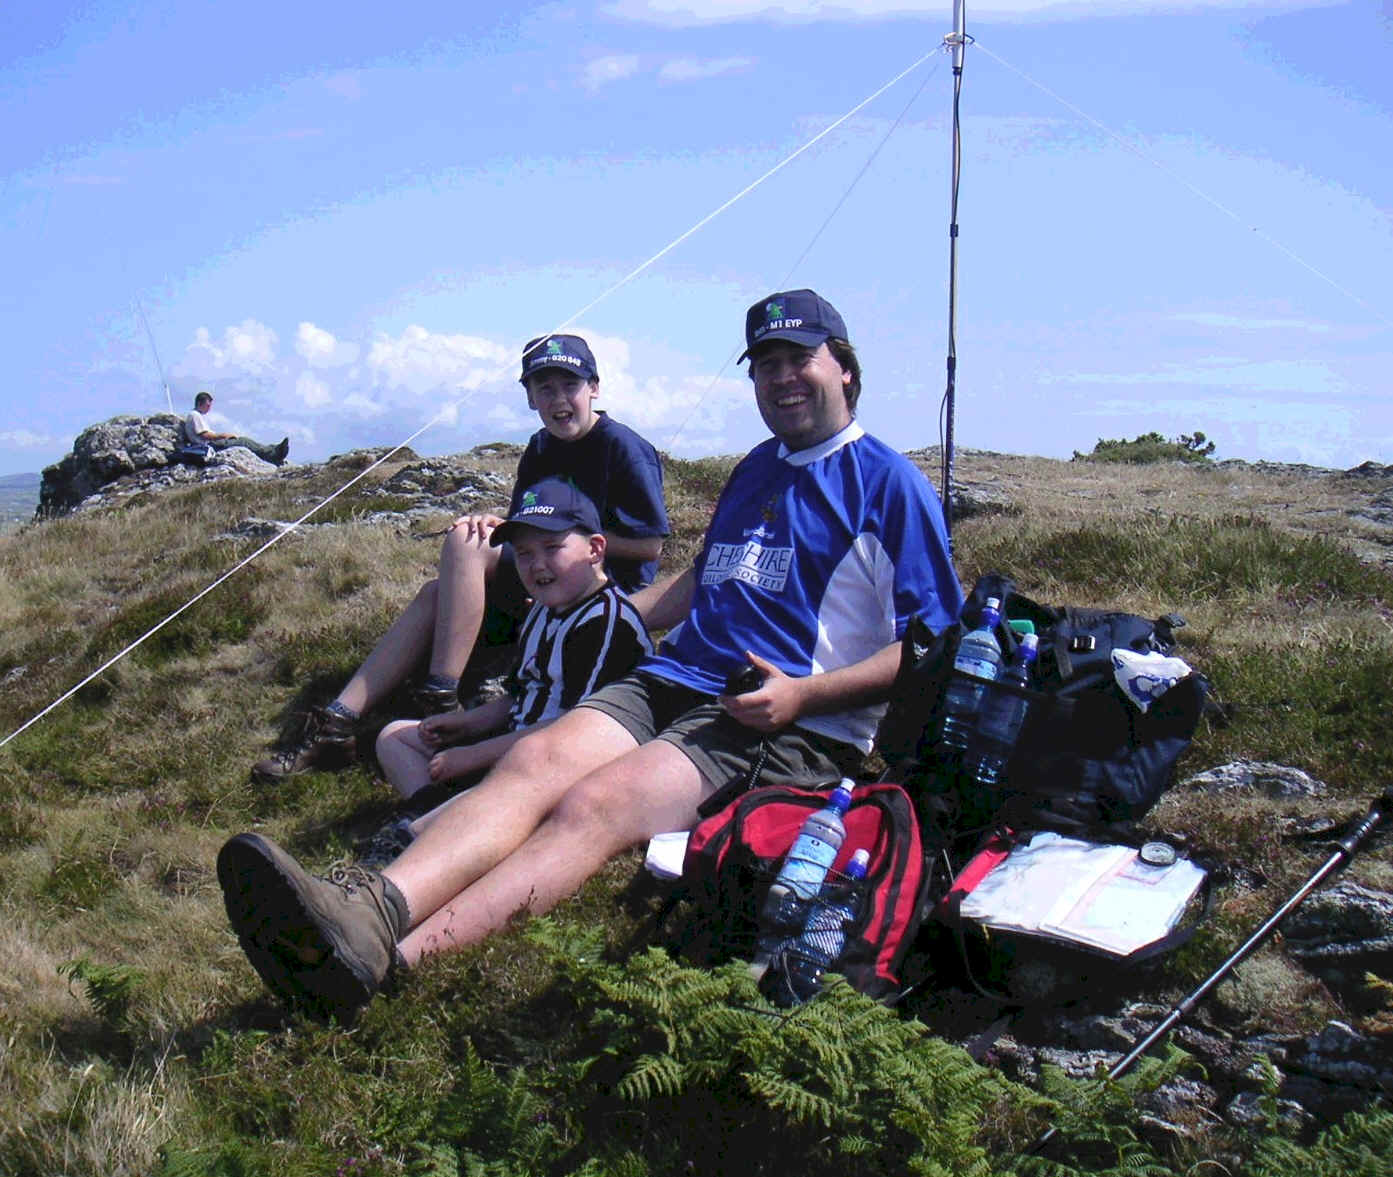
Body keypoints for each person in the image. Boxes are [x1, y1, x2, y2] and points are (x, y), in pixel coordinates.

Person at [218, 288, 964, 1019]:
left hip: (780, 720)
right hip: (673, 675)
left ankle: (388, 968)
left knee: (593, 804)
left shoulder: (889, 486)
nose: (780, 378)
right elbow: (704, 577)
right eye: (764, 364)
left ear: (844, 368)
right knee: (533, 762)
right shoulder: (755, 469)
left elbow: (933, 646)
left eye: (798, 358)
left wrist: (805, 697)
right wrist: (611, 620)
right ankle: (370, 910)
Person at [251, 333, 669, 782]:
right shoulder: (539, 448)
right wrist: (499, 529)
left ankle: (439, 698)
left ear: (595, 387)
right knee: (455, 558)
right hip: (546, 586)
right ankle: (337, 723)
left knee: (459, 560)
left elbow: (650, 547)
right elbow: (528, 530)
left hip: (597, 594)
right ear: (529, 397)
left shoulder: (623, 447)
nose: (558, 399)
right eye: (544, 388)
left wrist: (571, 540)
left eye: (570, 385)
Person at [366, 477, 651, 863]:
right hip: (513, 739)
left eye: (553, 548)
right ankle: (434, 809)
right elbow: (519, 694)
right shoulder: (542, 609)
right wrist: (468, 725)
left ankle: (427, 831)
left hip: (556, 763)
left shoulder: (606, 622)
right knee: (394, 738)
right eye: (524, 554)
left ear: (595, 549)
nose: (537, 565)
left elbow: (573, 728)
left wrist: (477, 754)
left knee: (495, 792)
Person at [183, 391, 289, 466]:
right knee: (244, 442)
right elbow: (205, 435)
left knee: (244, 441)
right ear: (199, 403)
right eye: (207, 405)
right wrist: (223, 435)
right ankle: (273, 454)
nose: (209, 408)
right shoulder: (195, 415)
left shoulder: (196, 415)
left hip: (209, 445)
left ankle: (273, 450)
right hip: (208, 446)